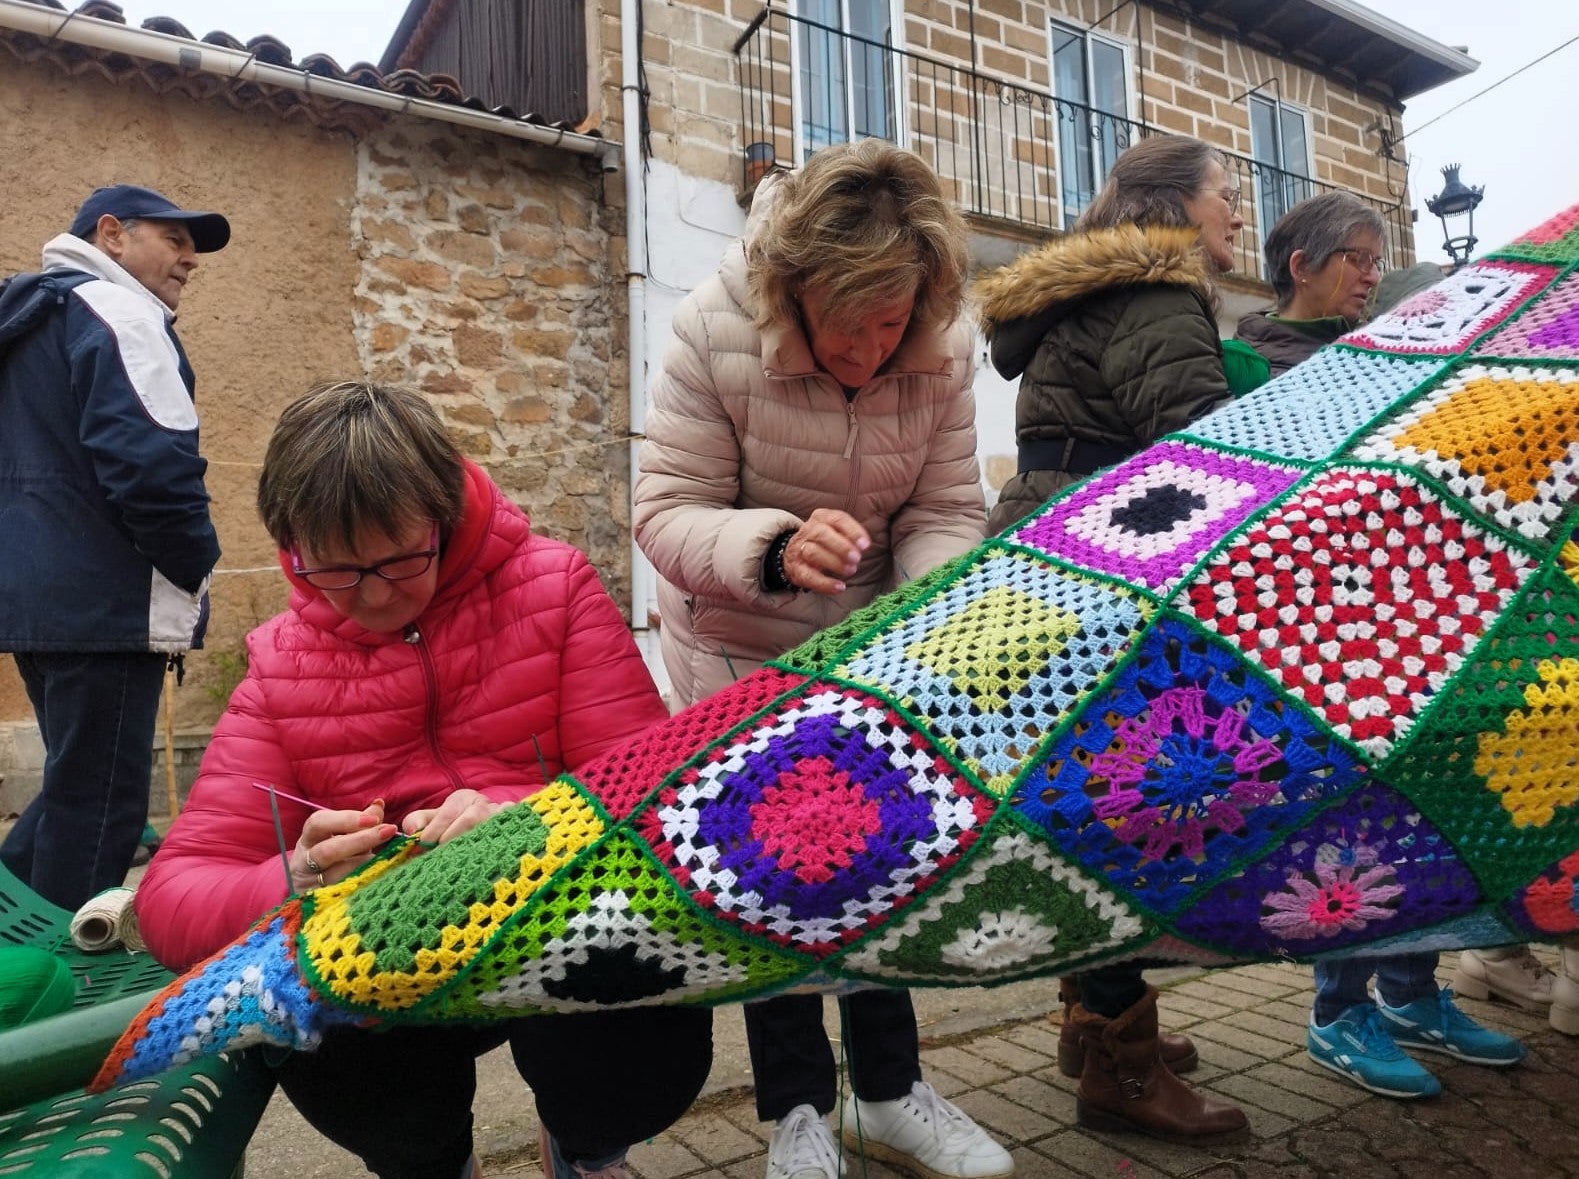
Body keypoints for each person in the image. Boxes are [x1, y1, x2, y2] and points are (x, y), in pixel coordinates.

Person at [134, 382, 713, 1179]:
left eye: (400, 560)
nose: (372, 595)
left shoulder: (555, 586)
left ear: (442, 514)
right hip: (392, 971)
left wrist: (519, 820)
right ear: (290, 545)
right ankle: (433, 1164)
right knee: (318, 1015)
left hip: (546, 923)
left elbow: (654, 794)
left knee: (644, 992)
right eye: (336, 570)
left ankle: (585, 1146)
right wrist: (294, 873)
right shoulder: (280, 663)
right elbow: (171, 897)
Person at [634, 138, 1012, 1179]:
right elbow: (665, 514)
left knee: (884, 859)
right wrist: (770, 544)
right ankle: (797, 1111)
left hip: (875, 649)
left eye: (890, 324)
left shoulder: (940, 345)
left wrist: (934, 602)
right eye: (845, 326)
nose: (866, 352)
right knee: (773, 874)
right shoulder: (713, 330)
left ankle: (888, 1093)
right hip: (736, 638)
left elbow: (942, 506)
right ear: (788, 286)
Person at [972, 134, 1247, 1141]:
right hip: (1107, 561)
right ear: (1174, 207)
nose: (1236, 214)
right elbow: (1202, 452)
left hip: (1056, 541)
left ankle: (1094, 1019)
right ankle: (1120, 1073)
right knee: (1136, 804)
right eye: (1225, 193)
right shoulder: (1156, 294)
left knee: (1087, 791)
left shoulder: (1095, 293)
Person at [1236, 192, 1530, 1098]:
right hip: (1312, 632)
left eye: (1374, 261)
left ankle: (1414, 989)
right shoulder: (1244, 362)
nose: (1373, 276)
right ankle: (1340, 1010)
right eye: (1359, 259)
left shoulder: (1391, 357)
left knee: (1433, 807)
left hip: (1410, 620)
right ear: (1302, 266)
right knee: (1350, 817)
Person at [0, 184, 228, 911]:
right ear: (111, 234)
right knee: (100, 807)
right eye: (176, 237)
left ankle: (14, 936)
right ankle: (66, 978)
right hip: (107, 603)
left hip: (38, 600)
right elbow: (152, 469)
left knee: (76, 786)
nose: (191, 257)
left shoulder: (32, 320)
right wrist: (195, 569)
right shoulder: (122, 311)